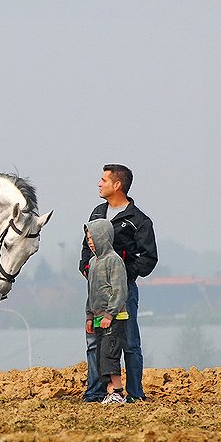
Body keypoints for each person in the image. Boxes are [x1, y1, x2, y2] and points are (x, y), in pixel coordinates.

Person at [79, 164, 158, 402]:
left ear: (117, 185)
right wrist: (87, 268)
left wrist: (122, 275)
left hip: (124, 293)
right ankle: (96, 392)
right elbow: (86, 247)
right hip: (95, 292)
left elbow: (149, 259)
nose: (99, 184)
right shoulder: (96, 213)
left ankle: (135, 394)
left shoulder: (139, 220)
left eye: (103, 180)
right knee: (94, 342)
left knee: (129, 342)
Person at [83, 219, 129, 404]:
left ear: (104, 236)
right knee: (101, 356)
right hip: (98, 318)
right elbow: (91, 292)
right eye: (88, 239)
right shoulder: (93, 262)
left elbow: (120, 290)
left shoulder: (114, 261)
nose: (91, 241)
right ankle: (109, 391)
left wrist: (110, 314)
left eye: (93, 237)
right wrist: (89, 315)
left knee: (110, 355)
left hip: (115, 317)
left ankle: (117, 391)